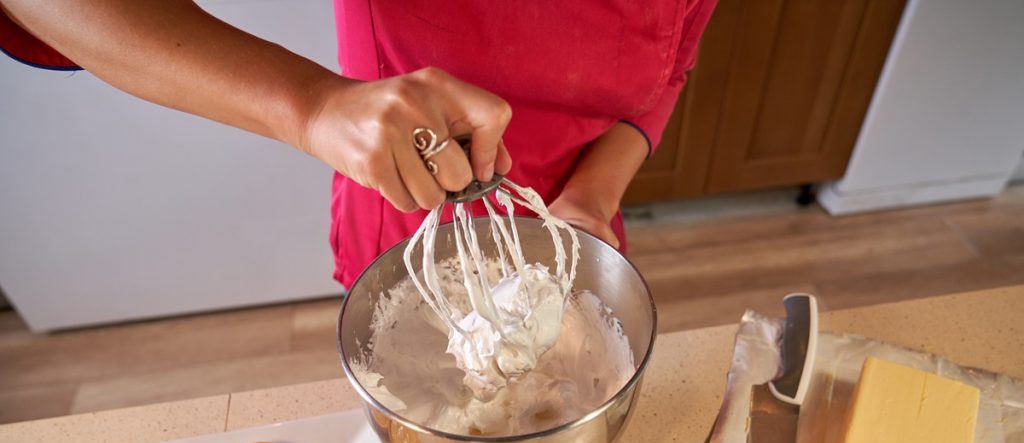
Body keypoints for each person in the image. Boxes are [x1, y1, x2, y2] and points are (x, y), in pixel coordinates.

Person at [0, 1, 716, 289]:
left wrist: (592, 197)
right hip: (409, 218)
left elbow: (670, 69)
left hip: (577, 219)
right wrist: (313, 107)